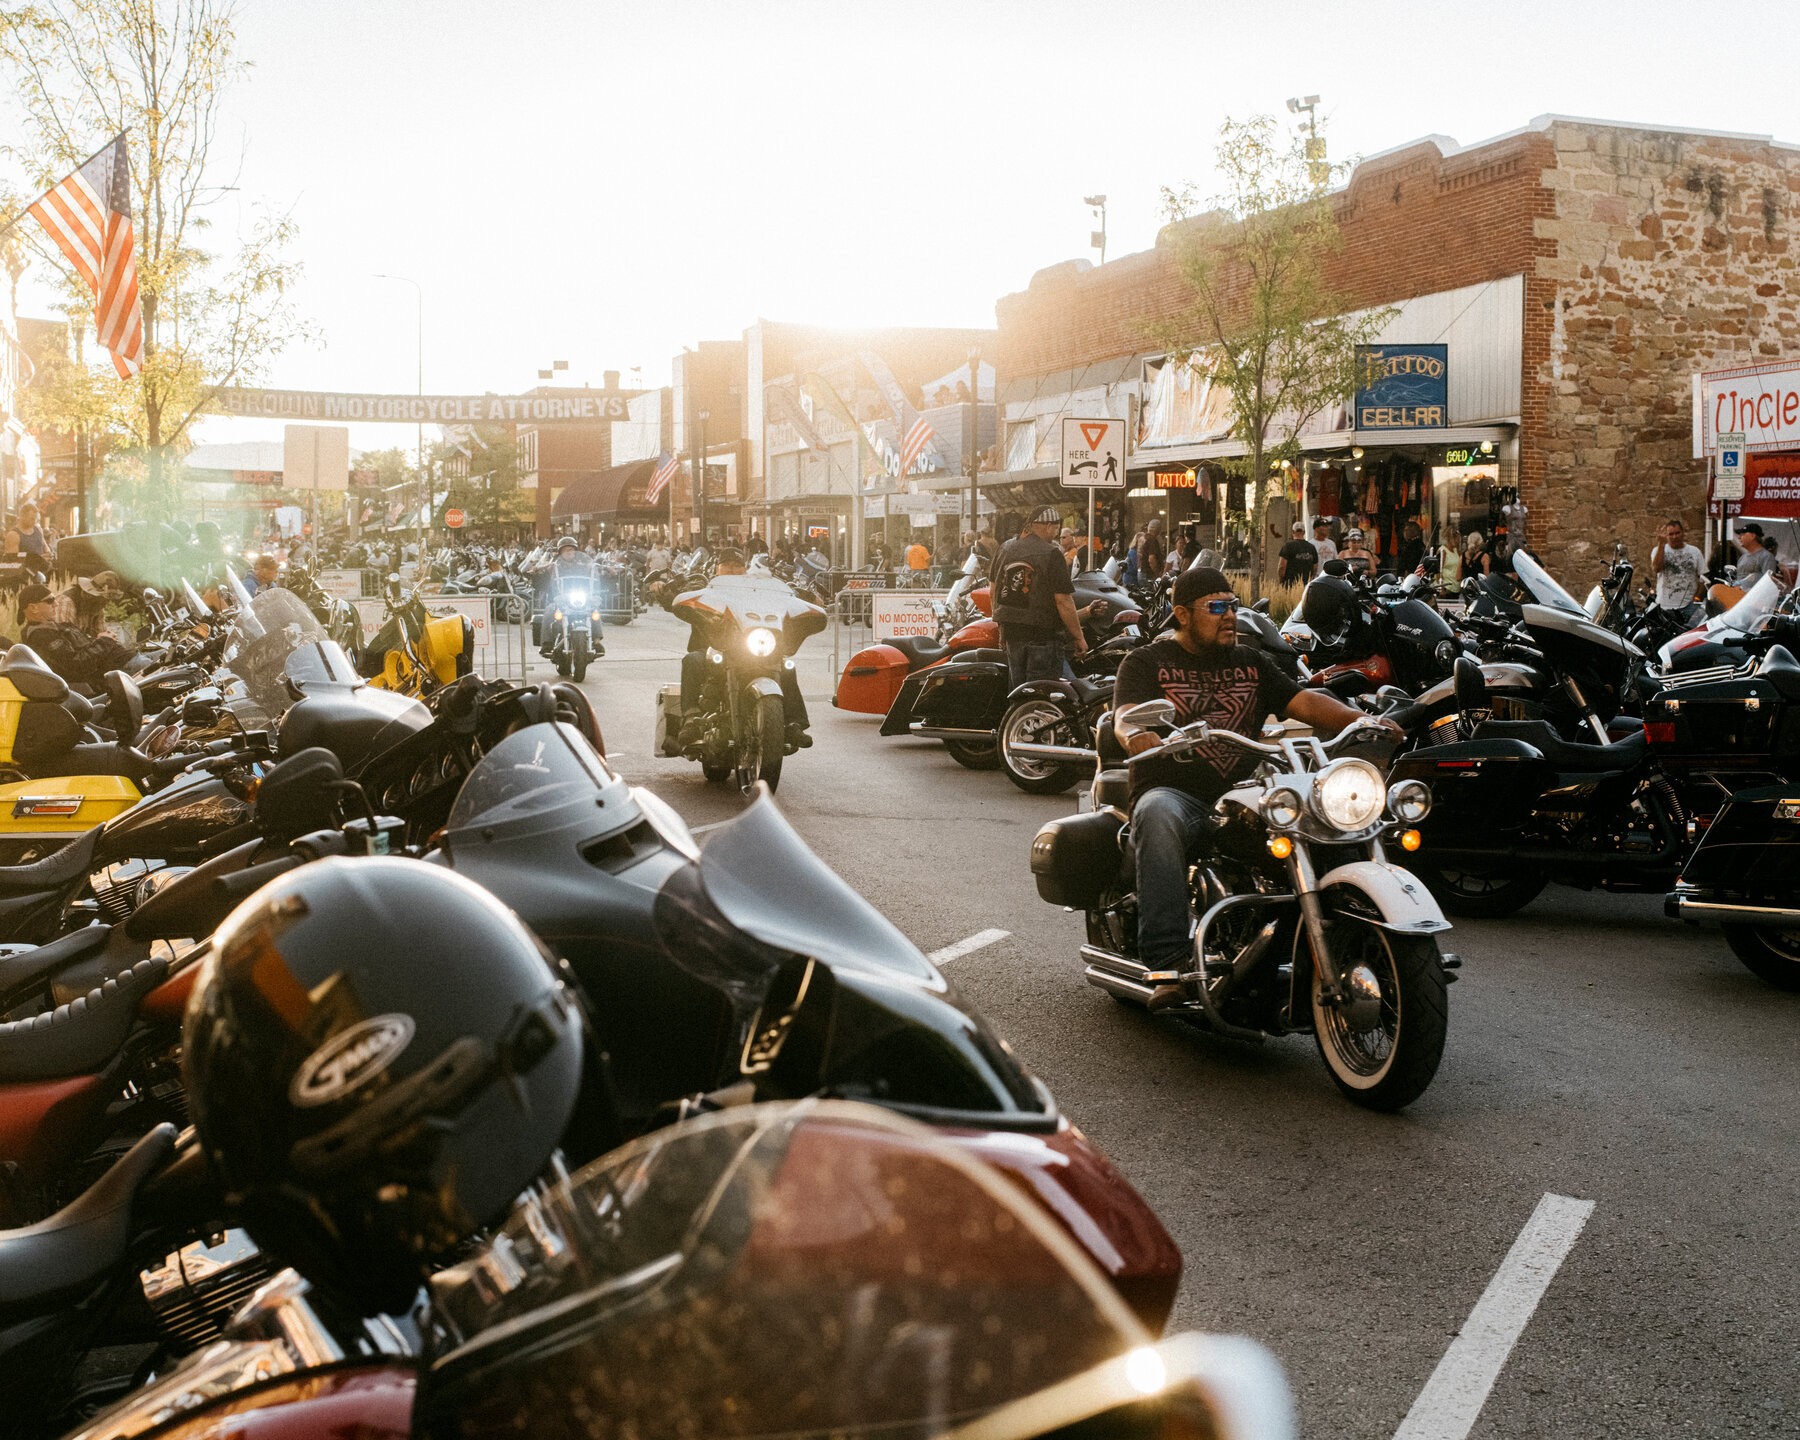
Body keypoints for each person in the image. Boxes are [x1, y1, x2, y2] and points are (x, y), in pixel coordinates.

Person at [1112, 566, 1400, 991]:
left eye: (1233, 605)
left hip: (1244, 794)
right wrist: (1135, 733)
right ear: (1183, 614)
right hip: (1176, 792)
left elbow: (1304, 701)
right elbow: (1124, 716)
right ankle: (1167, 958)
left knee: (1323, 821)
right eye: (1216, 607)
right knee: (1157, 813)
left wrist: (1365, 720)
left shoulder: (1250, 661)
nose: (1229, 615)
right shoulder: (1146, 662)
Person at [677, 549, 811, 751]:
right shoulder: (705, 586)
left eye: (737, 565)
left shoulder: (757, 589)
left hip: (751, 647)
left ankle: (794, 723)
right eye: (726, 564)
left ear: (744, 569)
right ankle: (691, 718)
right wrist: (663, 589)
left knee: (786, 666)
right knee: (692, 660)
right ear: (717, 568)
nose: (732, 568)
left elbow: (781, 600)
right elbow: (684, 592)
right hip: (713, 649)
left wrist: (804, 597)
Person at [992, 505, 1090, 684]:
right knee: (1042, 693)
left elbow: (994, 590)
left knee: (1019, 693)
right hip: (1043, 636)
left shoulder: (1006, 549)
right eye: (1056, 528)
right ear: (1048, 526)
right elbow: (1063, 600)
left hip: (1012, 633)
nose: (1056, 533)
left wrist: (1001, 628)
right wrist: (1079, 637)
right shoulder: (1051, 553)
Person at [17, 582, 142, 689]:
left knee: (159, 660)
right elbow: (76, 665)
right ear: (33, 608)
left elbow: (83, 649)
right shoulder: (41, 636)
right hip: (120, 670)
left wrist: (99, 639)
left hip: (125, 661)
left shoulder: (57, 627)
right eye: (50, 601)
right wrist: (104, 641)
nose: (56, 604)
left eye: (55, 600)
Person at [1651, 518, 1705, 624]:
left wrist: (1697, 599)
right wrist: (1661, 545)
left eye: (1677, 533)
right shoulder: (1658, 550)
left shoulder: (1694, 551)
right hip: (1664, 605)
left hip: (1688, 606)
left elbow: (1703, 577)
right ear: (1666, 536)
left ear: (1683, 532)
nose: (1675, 537)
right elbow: (1656, 568)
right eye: (1671, 534)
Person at [5, 503, 51, 578]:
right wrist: (36, 559)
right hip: (25, 576)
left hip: (42, 571)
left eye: (36, 519)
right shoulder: (13, 535)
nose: (34, 522)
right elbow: (12, 563)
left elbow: (45, 546)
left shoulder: (38, 529)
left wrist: (48, 553)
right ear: (22, 516)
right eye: (32, 519)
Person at [1733, 521, 1779, 586]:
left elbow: (1768, 580)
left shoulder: (1766, 556)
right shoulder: (1742, 557)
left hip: (1755, 595)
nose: (1739, 537)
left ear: (1752, 536)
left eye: (1742, 534)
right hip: (1739, 594)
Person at [1277, 521, 1318, 585]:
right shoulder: (1311, 547)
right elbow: (1315, 568)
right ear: (1304, 532)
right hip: (1306, 585)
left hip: (1290, 586)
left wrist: (1280, 580)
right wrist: (1310, 580)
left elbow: (1282, 566)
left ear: (1293, 532)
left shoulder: (1288, 546)